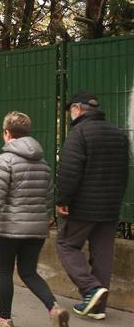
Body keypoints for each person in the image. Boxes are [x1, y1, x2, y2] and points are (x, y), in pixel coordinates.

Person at [0, 111, 69, 327]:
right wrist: (46, 219)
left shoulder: (3, 161)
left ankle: (4, 319)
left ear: (7, 133)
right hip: (36, 229)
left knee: (5, 272)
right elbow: (48, 197)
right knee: (29, 272)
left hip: (9, 228)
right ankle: (54, 308)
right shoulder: (43, 163)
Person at [56, 91, 129, 320]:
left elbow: (69, 171)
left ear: (77, 109)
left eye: (70, 110)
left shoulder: (79, 133)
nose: (70, 115)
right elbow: (124, 172)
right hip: (110, 207)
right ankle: (98, 308)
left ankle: (90, 289)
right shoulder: (119, 134)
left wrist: (62, 200)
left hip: (84, 207)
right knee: (103, 254)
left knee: (66, 244)